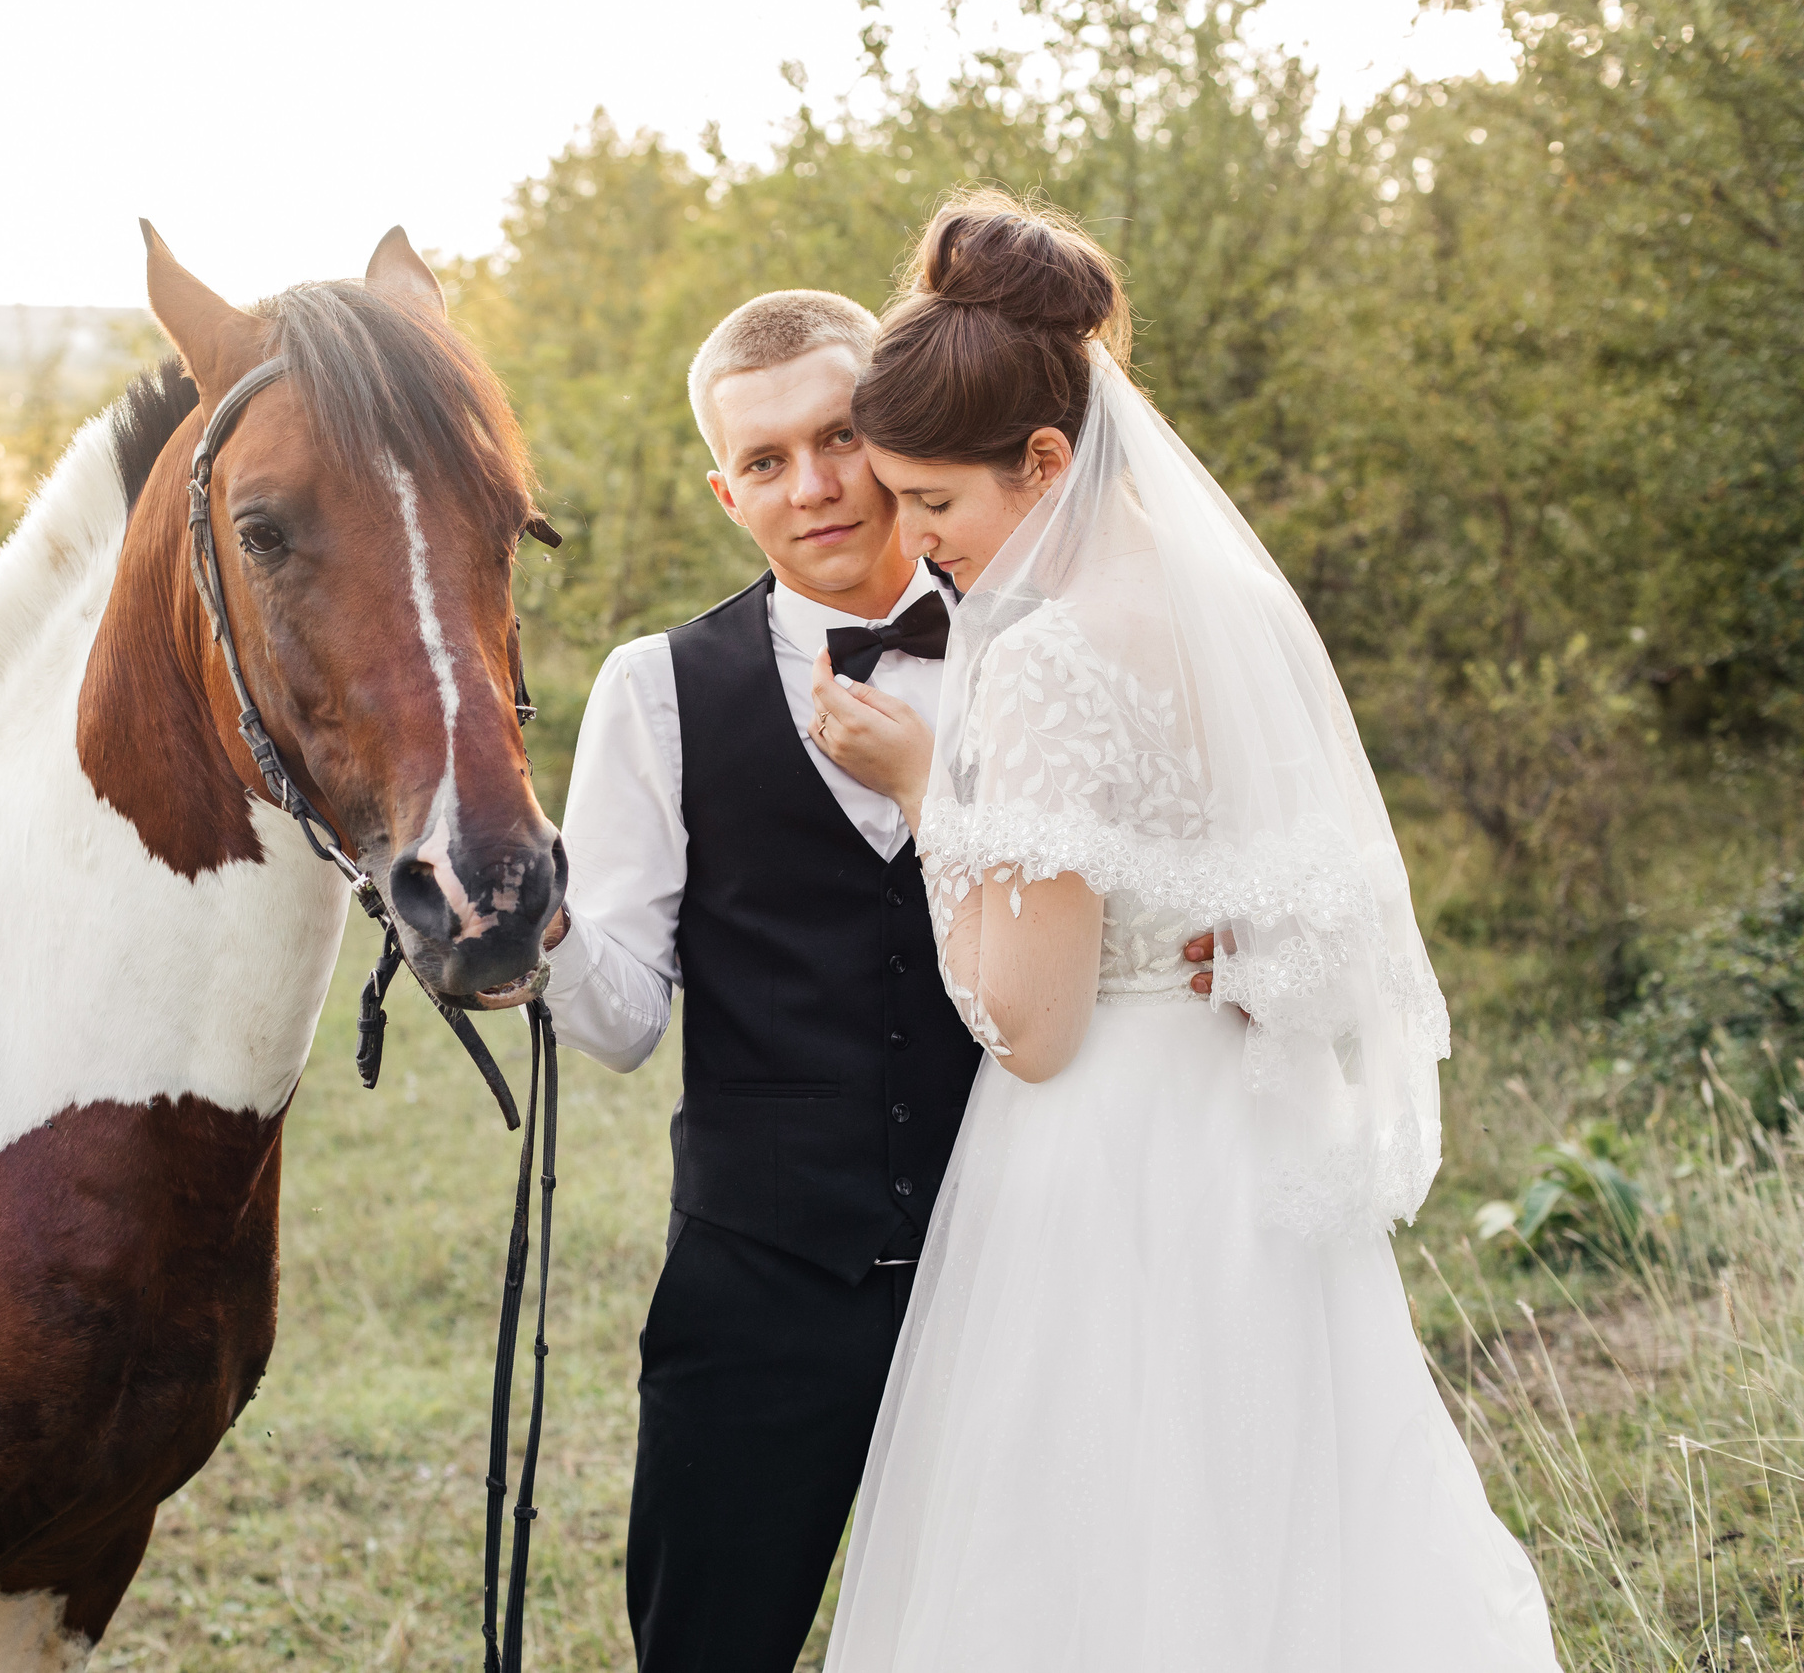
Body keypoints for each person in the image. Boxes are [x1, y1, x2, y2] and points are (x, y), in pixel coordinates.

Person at [805, 190, 1562, 1670]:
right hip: (1258, 1155)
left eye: (938, 503)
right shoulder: (1230, 603)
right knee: (1286, 1509)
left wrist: (927, 796)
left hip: (1108, 1162)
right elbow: (1324, 895)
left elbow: (1033, 1025)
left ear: (1044, 459)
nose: (918, 541)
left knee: (1093, 1530)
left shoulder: (1046, 663)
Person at [494, 285, 1219, 1670]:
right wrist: (534, 934)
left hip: (1021, 1268)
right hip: (758, 1291)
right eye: (765, 463)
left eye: (839, 439)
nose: (815, 487)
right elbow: (626, 1017)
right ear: (725, 491)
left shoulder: (1050, 653)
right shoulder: (657, 691)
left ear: (891, 437)